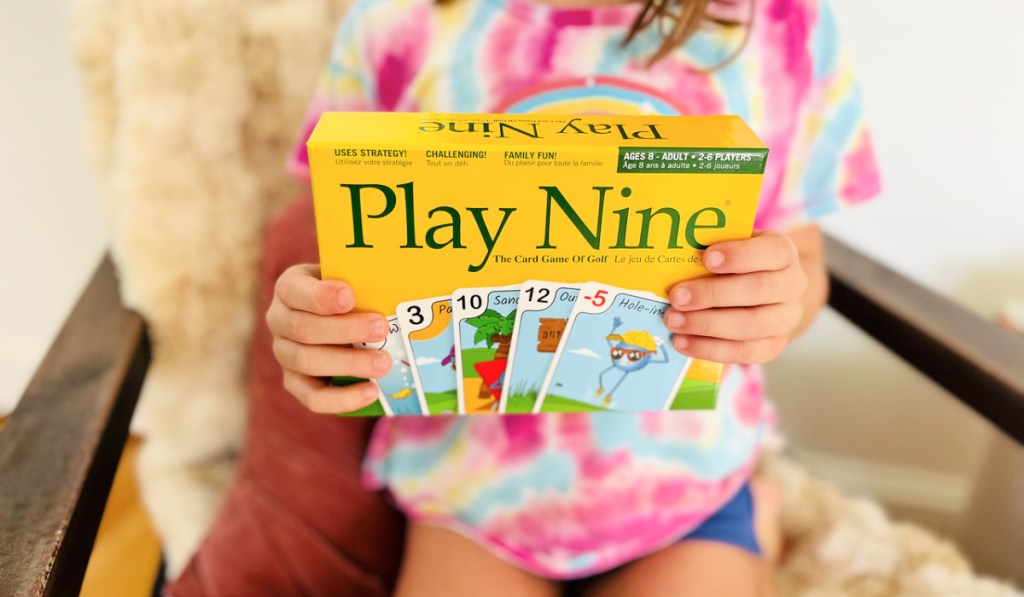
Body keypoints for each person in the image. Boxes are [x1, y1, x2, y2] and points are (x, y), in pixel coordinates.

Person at [174, 0, 880, 595]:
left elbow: (802, 257)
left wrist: (781, 298)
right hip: (471, 489)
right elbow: (337, 247)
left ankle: (755, 515)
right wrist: (312, 321)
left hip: (688, 484)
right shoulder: (401, 20)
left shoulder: (781, 26)